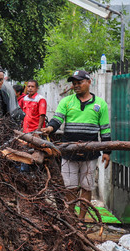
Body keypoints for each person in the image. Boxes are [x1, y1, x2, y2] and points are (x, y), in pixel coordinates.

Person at [41, 70, 111, 221]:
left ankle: (81, 219)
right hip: (69, 151)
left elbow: (105, 129)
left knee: (87, 186)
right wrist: (50, 128)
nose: (76, 85)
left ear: (89, 81)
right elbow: (57, 119)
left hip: (90, 152)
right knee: (70, 187)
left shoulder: (100, 104)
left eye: (79, 82)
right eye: (74, 83)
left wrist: (107, 151)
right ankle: (70, 218)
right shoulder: (66, 102)